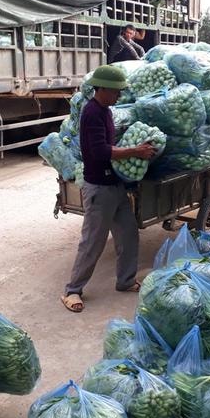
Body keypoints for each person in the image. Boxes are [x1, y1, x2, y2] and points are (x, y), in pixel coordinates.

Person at [61, 65, 155, 312]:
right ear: (101, 89)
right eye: (115, 92)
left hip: (114, 185)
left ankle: (125, 281)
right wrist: (136, 151)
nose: (118, 96)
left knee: (128, 233)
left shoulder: (105, 111)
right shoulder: (91, 112)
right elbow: (101, 151)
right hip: (99, 189)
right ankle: (72, 291)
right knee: (93, 241)